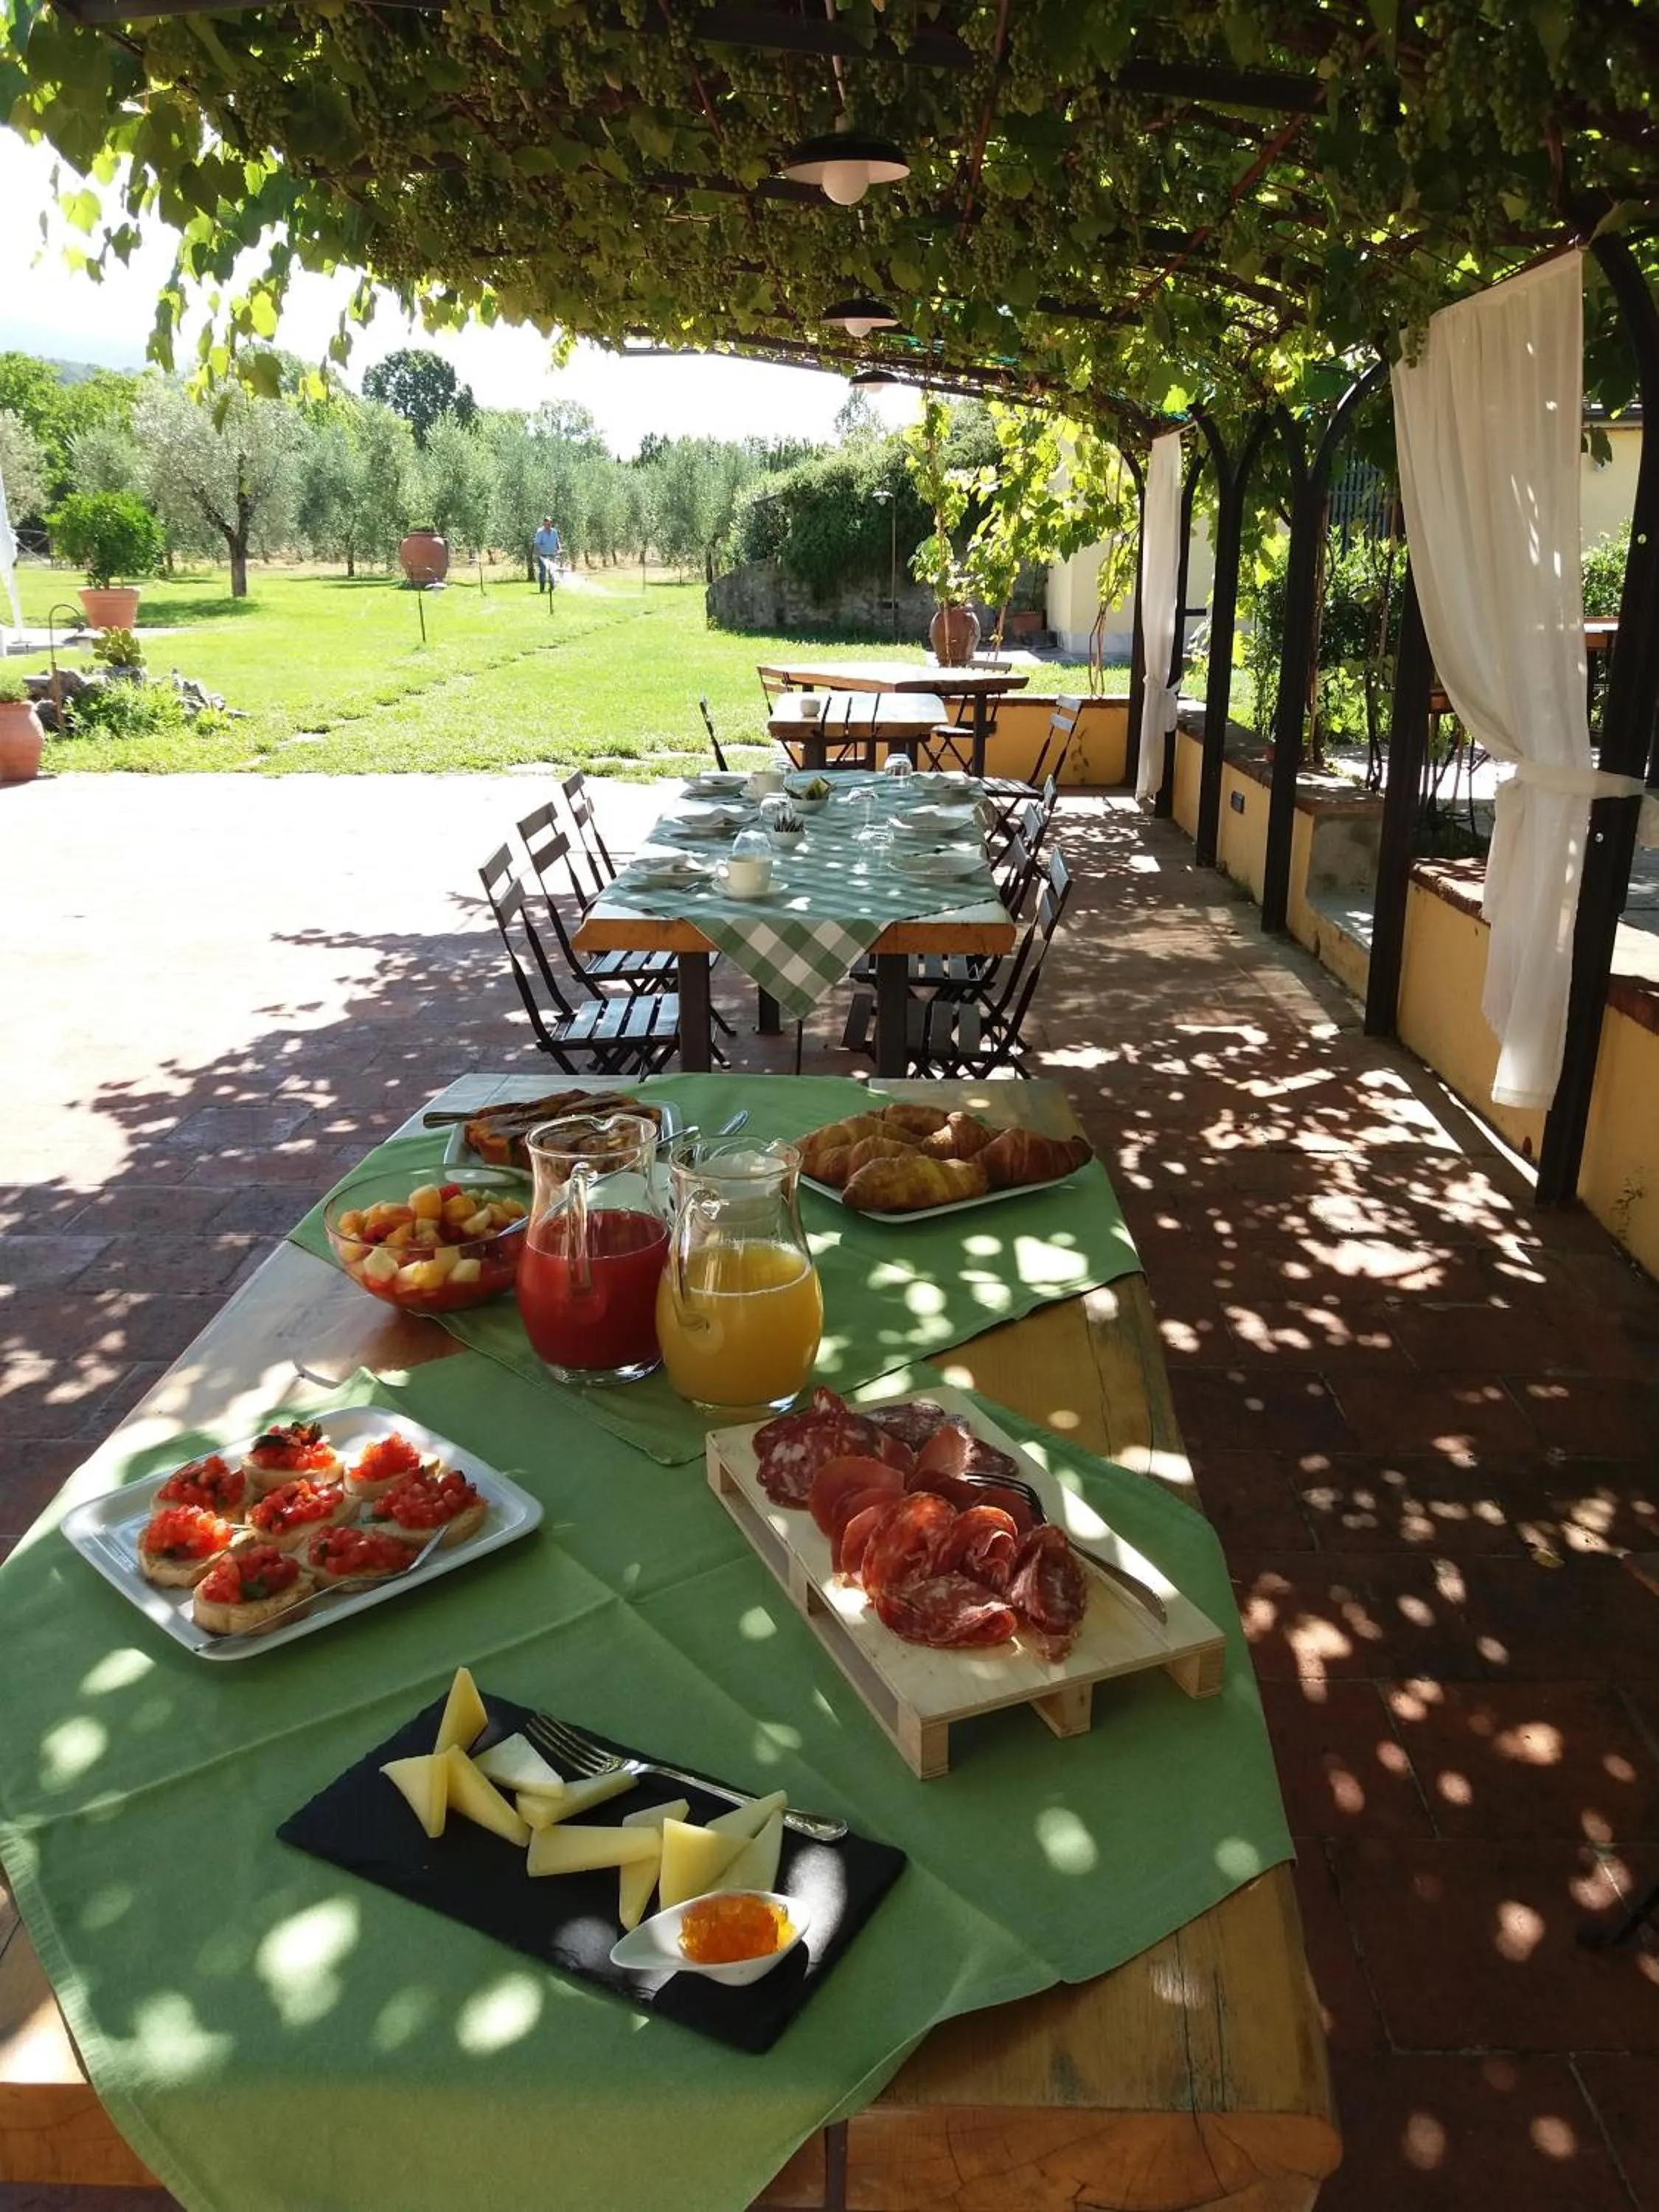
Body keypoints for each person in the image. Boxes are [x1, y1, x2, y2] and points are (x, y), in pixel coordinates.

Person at [532, 516, 561, 593]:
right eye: (547, 524)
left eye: (549, 524)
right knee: (543, 572)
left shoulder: (554, 532)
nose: (548, 526)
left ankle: (552, 588)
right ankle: (542, 589)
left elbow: (557, 541)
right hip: (543, 555)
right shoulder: (540, 532)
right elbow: (537, 544)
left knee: (552, 572)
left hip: (552, 554)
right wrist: (538, 553)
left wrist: (559, 548)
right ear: (544, 524)